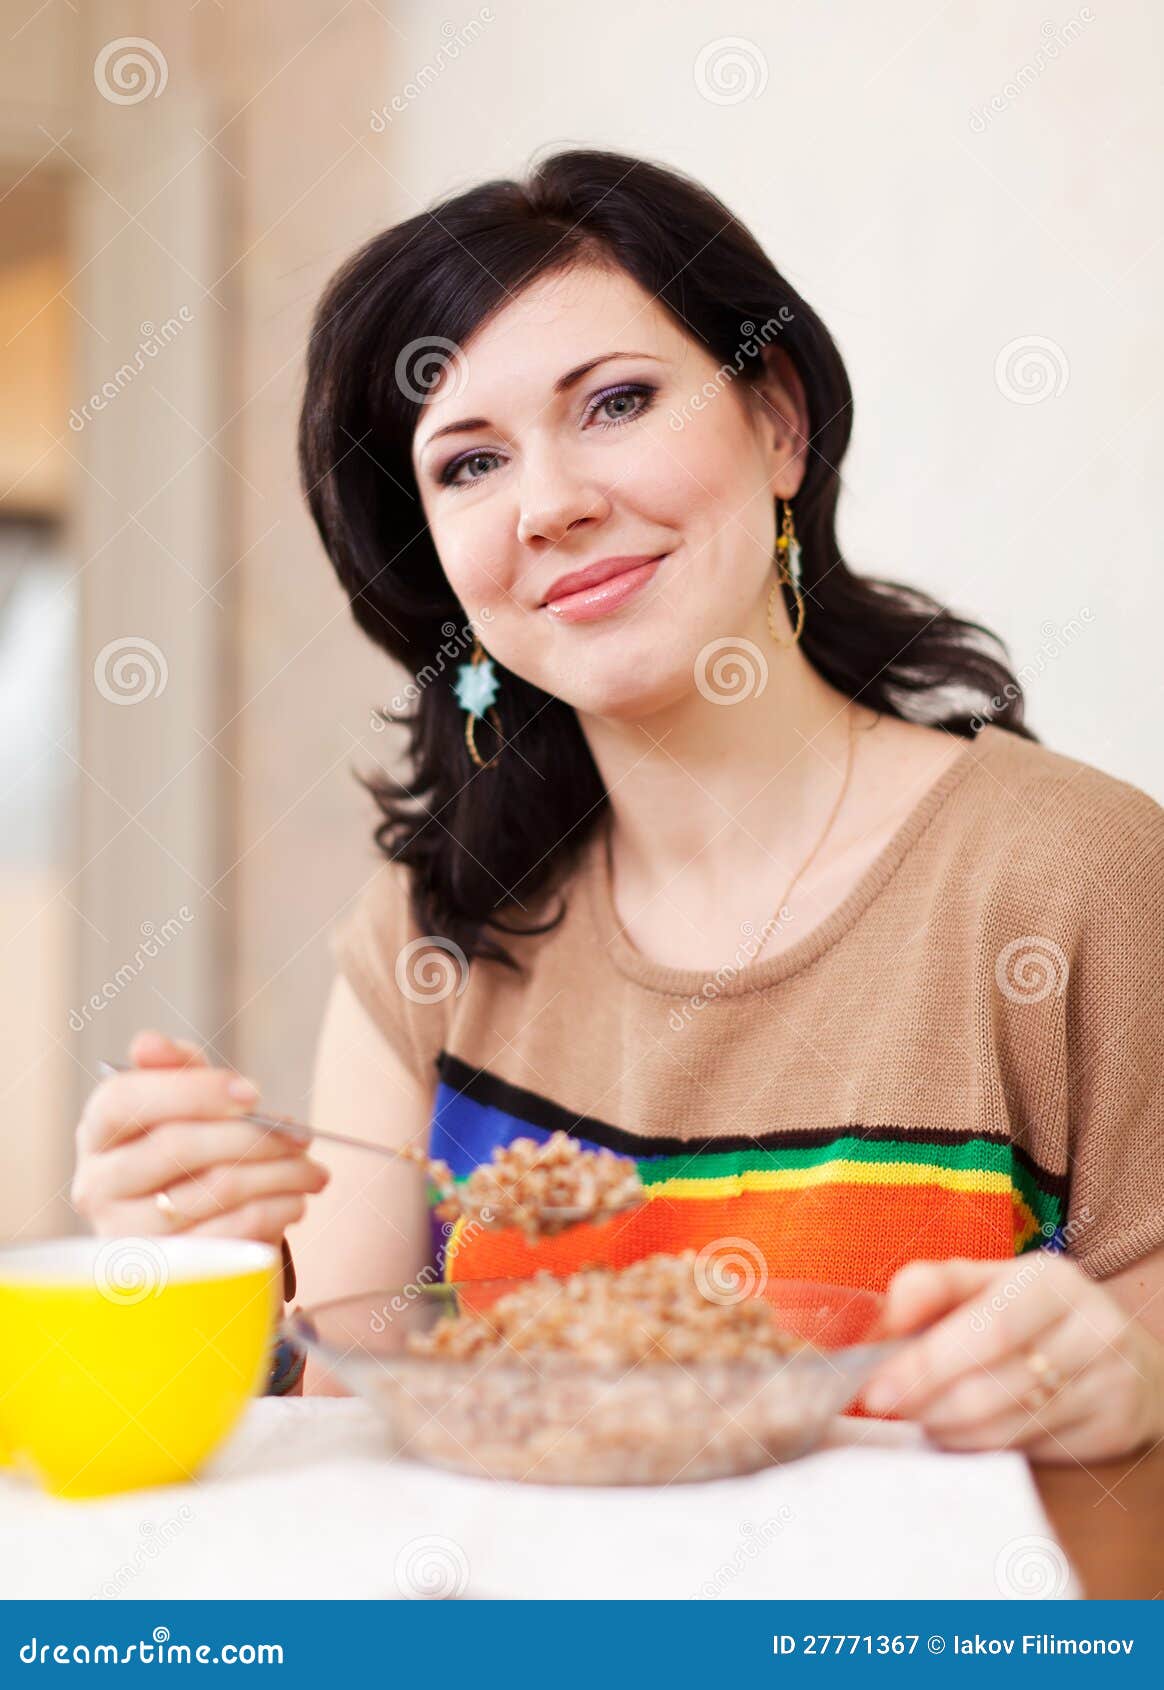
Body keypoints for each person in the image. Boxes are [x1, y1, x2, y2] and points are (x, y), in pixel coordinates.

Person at [71, 149, 1164, 1456]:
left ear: (778, 423)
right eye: (468, 465)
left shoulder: (1077, 872)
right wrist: (206, 1275)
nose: (551, 505)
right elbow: (347, 1432)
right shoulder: (432, 927)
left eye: (618, 401)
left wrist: (1128, 1378)